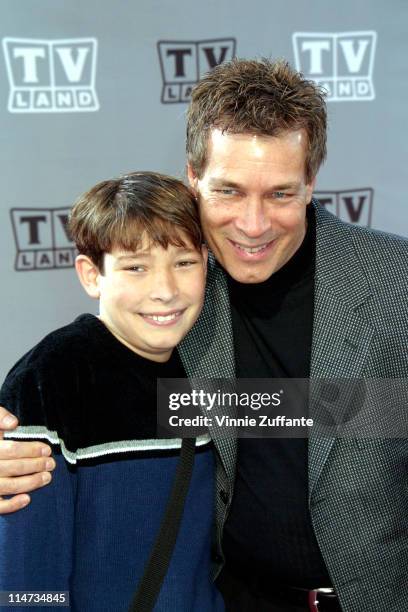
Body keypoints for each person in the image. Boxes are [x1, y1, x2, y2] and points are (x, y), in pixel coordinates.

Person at [1, 58, 407, 611]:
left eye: (281, 194)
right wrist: (25, 426)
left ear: (312, 181)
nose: (254, 224)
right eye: (229, 192)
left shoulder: (393, 280)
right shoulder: (175, 291)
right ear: (193, 177)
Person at [0, 171, 225, 612]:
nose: (164, 291)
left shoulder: (211, 361)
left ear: (206, 262)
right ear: (91, 275)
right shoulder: (53, 377)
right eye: (135, 267)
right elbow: (26, 582)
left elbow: (342, 413)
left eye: (184, 263)